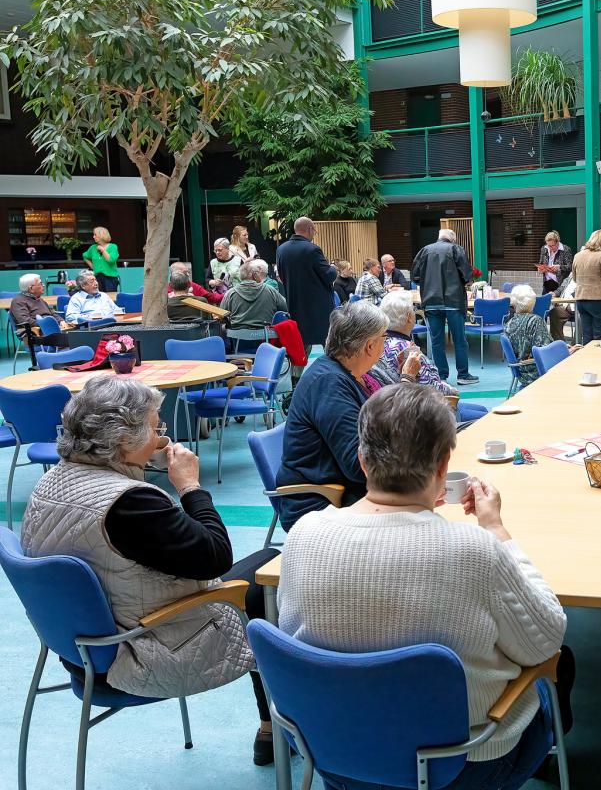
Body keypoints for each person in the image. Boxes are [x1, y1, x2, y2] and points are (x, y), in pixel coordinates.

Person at [278, 383, 571, 789]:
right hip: (460, 766)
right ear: (443, 466)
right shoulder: (475, 550)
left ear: (362, 461)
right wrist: (496, 529)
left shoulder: (303, 535)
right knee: (554, 671)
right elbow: (546, 639)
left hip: (337, 756)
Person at [19, 378, 280, 765]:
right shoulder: (130, 504)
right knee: (268, 575)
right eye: (157, 428)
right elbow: (216, 556)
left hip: (77, 651)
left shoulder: (51, 483)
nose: (163, 438)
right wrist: (190, 486)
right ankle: (278, 726)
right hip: (141, 652)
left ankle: (272, 728)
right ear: (125, 439)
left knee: (256, 571)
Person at [276, 303, 389, 531]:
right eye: (384, 339)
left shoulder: (348, 374)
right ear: (370, 346)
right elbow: (358, 464)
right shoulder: (329, 383)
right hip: (322, 503)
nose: (385, 345)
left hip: (346, 489)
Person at [368, 291, 487, 423]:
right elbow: (431, 388)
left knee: (481, 409)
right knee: (486, 417)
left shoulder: (380, 343)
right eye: (413, 310)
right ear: (409, 317)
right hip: (424, 413)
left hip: (396, 405)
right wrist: (450, 389)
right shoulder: (408, 351)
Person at [412, 228, 479, 385]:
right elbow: (467, 276)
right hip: (453, 302)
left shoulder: (424, 251)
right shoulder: (456, 249)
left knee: (436, 341)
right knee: (459, 340)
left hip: (431, 302)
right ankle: (463, 375)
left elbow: (415, 276)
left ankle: (441, 376)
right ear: (452, 239)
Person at [276, 216, 338, 350]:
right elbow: (329, 275)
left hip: (294, 304)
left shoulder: (281, 249)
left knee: (300, 344)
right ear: (310, 229)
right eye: (314, 231)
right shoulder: (312, 249)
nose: (314, 235)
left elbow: (281, 276)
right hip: (317, 308)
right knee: (328, 344)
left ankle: (298, 365)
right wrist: (333, 267)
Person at [503, 284, 580, 390]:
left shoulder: (509, 324)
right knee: (576, 362)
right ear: (532, 302)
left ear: (514, 304)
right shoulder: (535, 321)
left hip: (521, 372)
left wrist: (564, 347)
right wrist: (567, 352)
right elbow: (545, 352)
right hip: (536, 371)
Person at [221, 259, 289, 349]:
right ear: (254, 275)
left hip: (238, 341)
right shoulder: (270, 290)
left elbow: (221, 314)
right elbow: (285, 308)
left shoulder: (230, 293)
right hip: (265, 340)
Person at [569, 229, 601, 345]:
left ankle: (587, 355)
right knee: (600, 337)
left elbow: (575, 279)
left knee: (587, 335)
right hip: (598, 300)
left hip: (581, 300)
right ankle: (598, 357)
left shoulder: (578, 255)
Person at [10, 273, 69, 364]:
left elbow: (53, 313)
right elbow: (25, 321)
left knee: (77, 336)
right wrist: (47, 325)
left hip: (51, 331)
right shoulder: (18, 301)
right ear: (31, 288)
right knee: (72, 340)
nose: (43, 285)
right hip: (34, 335)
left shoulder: (40, 299)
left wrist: (61, 321)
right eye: (40, 283)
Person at [81, 226, 121, 292]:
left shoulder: (113, 247)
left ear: (101, 235)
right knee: (98, 296)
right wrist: (93, 267)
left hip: (110, 278)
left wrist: (103, 250)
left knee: (110, 297)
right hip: (97, 278)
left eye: (95, 235)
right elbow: (85, 256)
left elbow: (111, 260)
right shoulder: (93, 248)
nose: (93, 237)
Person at [536, 230, 574, 295]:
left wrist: (559, 267)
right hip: (547, 283)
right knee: (545, 300)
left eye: (552, 245)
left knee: (557, 301)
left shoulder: (565, 249)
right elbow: (541, 263)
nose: (550, 248)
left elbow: (570, 267)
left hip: (560, 284)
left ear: (558, 242)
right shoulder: (544, 249)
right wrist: (540, 269)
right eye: (549, 245)